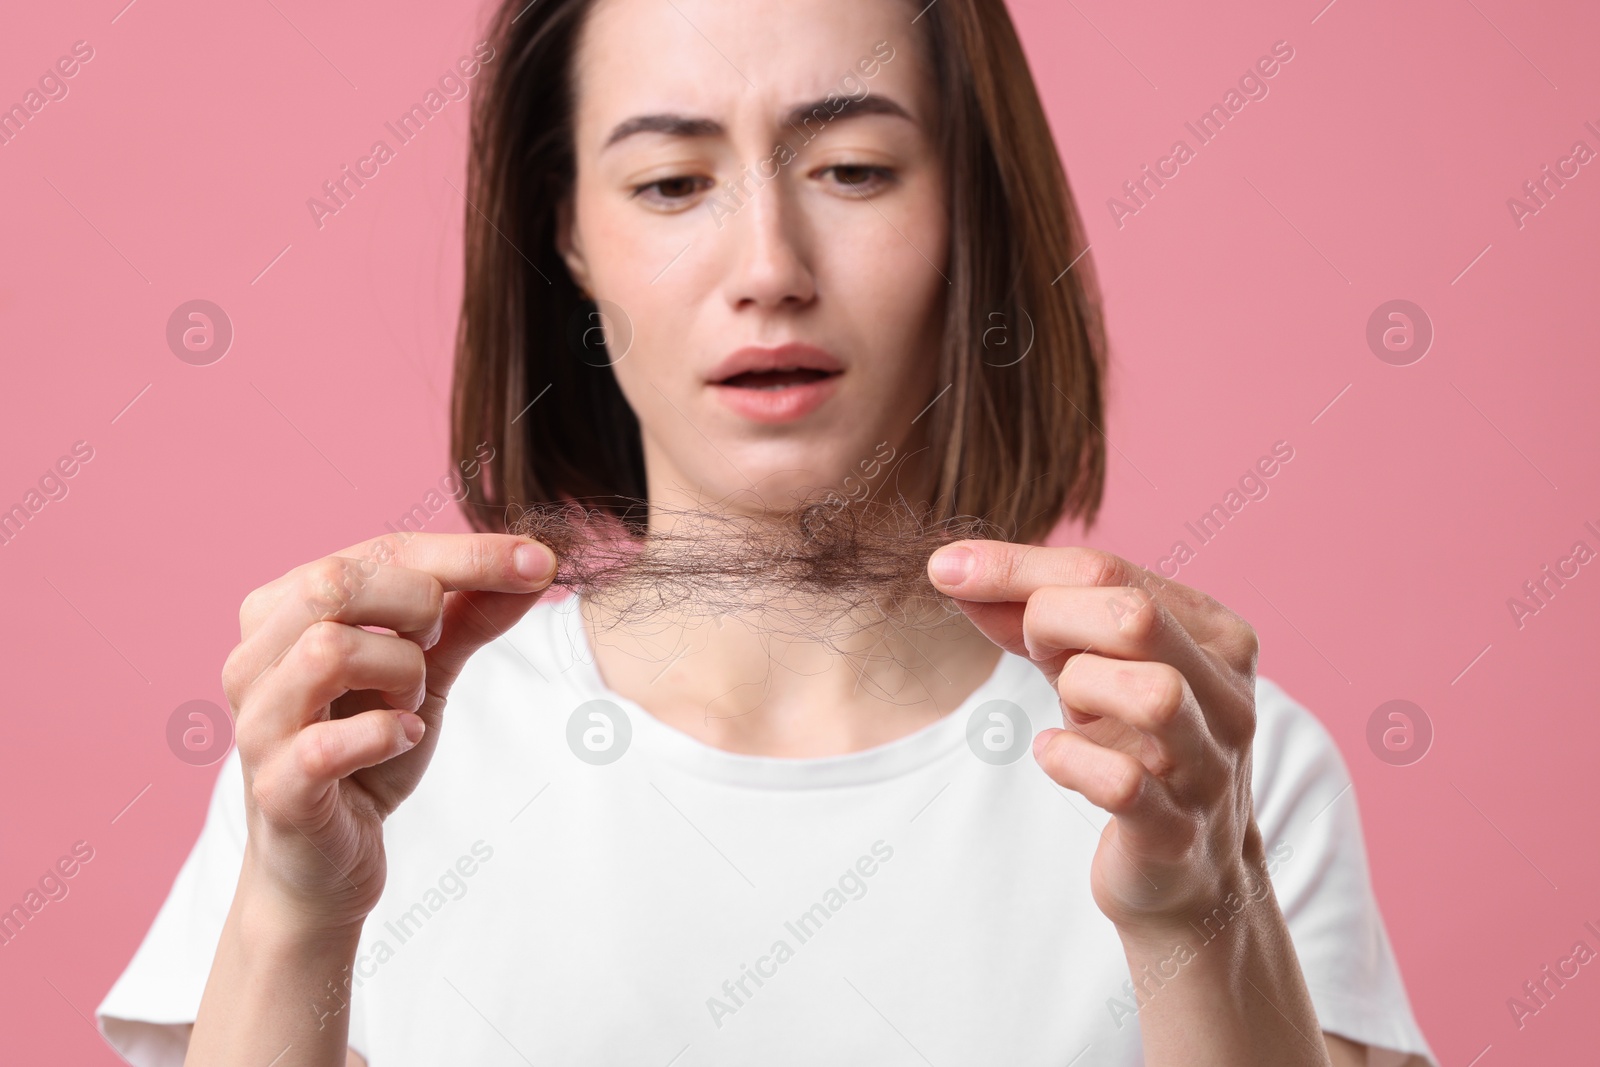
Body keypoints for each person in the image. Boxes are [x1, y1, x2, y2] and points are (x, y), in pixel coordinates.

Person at [96, 0, 1436, 1063]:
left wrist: (1201, 905)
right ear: (568, 232)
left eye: (854, 168)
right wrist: (297, 906)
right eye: (674, 184)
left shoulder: (1212, 774)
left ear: (968, 208)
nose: (769, 267)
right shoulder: (358, 760)